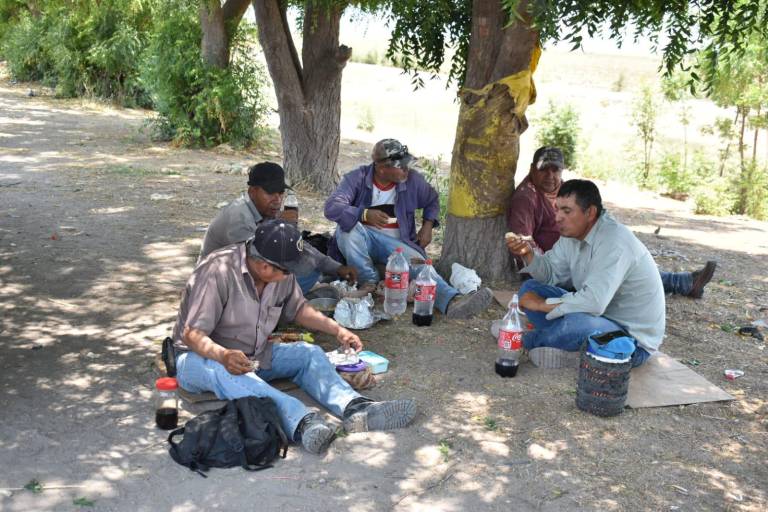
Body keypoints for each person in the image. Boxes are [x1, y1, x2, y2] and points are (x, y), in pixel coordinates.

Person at [173, 219, 416, 454]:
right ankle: (301, 422)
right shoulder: (218, 270)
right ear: (265, 266)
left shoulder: (280, 274)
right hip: (199, 358)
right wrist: (223, 355)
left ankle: (356, 408)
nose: (291, 275)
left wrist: (337, 329)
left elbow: (299, 309)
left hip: (253, 355)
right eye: (288, 270)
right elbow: (193, 334)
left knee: (307, 353)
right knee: (223, 370)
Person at [506, 146, 717, 298]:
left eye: (556, 170)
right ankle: (683, 283)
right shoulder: (527, 198)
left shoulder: (564, 190)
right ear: (533, 168)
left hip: (580, 250)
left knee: (622, 261)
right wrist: (542, 265)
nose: (550, 176)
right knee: (612, 271)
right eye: (544, 170)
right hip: (561, 263)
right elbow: (524, 242)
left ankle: (683, 283)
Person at [324, 138, 493, 319]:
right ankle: (369, 284)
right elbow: (332, 207)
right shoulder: (357, 178)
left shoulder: (412, 180)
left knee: (420, 267)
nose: (406, 170)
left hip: (397, 246)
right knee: (347, 230)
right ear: (382, 168)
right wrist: (363, 214)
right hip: (361, 246)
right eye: (401, 167)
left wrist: (428, 225)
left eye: (407, 165)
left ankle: (453, 302)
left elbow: (432, 199)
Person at [507, 179, 665, 367]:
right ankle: (570, 348)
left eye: (566, 211)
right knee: (530, 289)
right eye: (557, 209)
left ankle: (527, 341)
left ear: (590, 213)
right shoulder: (572, 233)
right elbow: (550, 274)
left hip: (630, 340)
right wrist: (528, 254)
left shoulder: (613, 242)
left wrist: (542, 305)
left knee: (578, 324)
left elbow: (593, 303)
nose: (557, 217)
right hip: (598, 316)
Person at [199, 161, 358, 295]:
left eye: (281, 193)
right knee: (298, 275)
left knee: (310, 268)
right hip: (218, 286)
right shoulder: (239, 219)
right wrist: (280, 225)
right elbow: (260, 263)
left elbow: (299, 246)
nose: (278, 199)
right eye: (270, 193)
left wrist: (337, 268)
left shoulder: (264, 210)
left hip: (246, 275)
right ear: (252, 191)